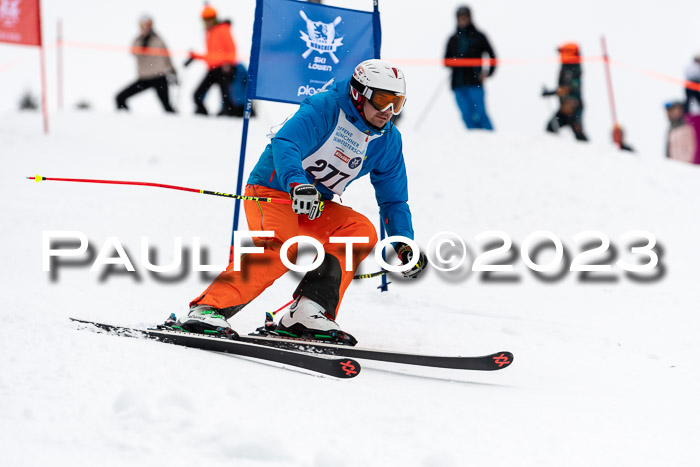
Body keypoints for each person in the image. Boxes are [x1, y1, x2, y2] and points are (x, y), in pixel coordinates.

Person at [177, 59, 428, 342]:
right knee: (283, 246)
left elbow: (394, 201)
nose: (389, 112)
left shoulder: (388, 141)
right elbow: (286, 143)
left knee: (359, 230)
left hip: (314, 204)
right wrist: (298, 184)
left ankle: (308, 311)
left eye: (398, 103)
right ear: (359, 93)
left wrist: (404, 243)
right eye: (382, 100)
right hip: (272, 190)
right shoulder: (325, 107)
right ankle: (207, 308)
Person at [444, 5, 496, 130]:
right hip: (458, 83)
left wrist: (488, 73)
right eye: (460, 17)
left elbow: (492, 56)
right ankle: (474, 141)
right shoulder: (453, 39)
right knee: (466, 114)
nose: (462, 19)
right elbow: (446, 60)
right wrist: (455, 62)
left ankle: (491, 140)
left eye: (465, 16)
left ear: (470, 18)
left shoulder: (479, 37)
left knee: (480, 113)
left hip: (475, 82)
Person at [115, 15, 177, 113]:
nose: (145, 28)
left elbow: (167, 57)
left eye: (147, 25)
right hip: (144, 79)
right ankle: (126, 123)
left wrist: (173, 72)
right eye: (142, 25)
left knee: (167, 108)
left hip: (159, 77)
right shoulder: (138, 40)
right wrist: (143, 40)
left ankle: (178, 126)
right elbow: (133, 53)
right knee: (119, 98)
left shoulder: (158, 39)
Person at [187, 4, 239, 116]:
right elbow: (211, 56)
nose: (207, 22)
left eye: (210, 19)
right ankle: (204, 116)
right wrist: (195, 56)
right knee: (197, 95)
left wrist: (228, 63)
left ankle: (232, 119)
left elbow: (232, 48)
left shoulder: (222, 29)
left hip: (224, 69)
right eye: (205, 19)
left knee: (226, 98)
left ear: (215, 18)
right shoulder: (209, 32)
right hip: (213, 69)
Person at [543, 42, 587, 141]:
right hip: (564, 108)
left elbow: (568, 88)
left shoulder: (573, 68)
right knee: (551, 128)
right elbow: (563, 88)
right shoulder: (565, 67)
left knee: (579, 135)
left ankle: (595, 153)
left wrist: (551, 93)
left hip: (574, 108)